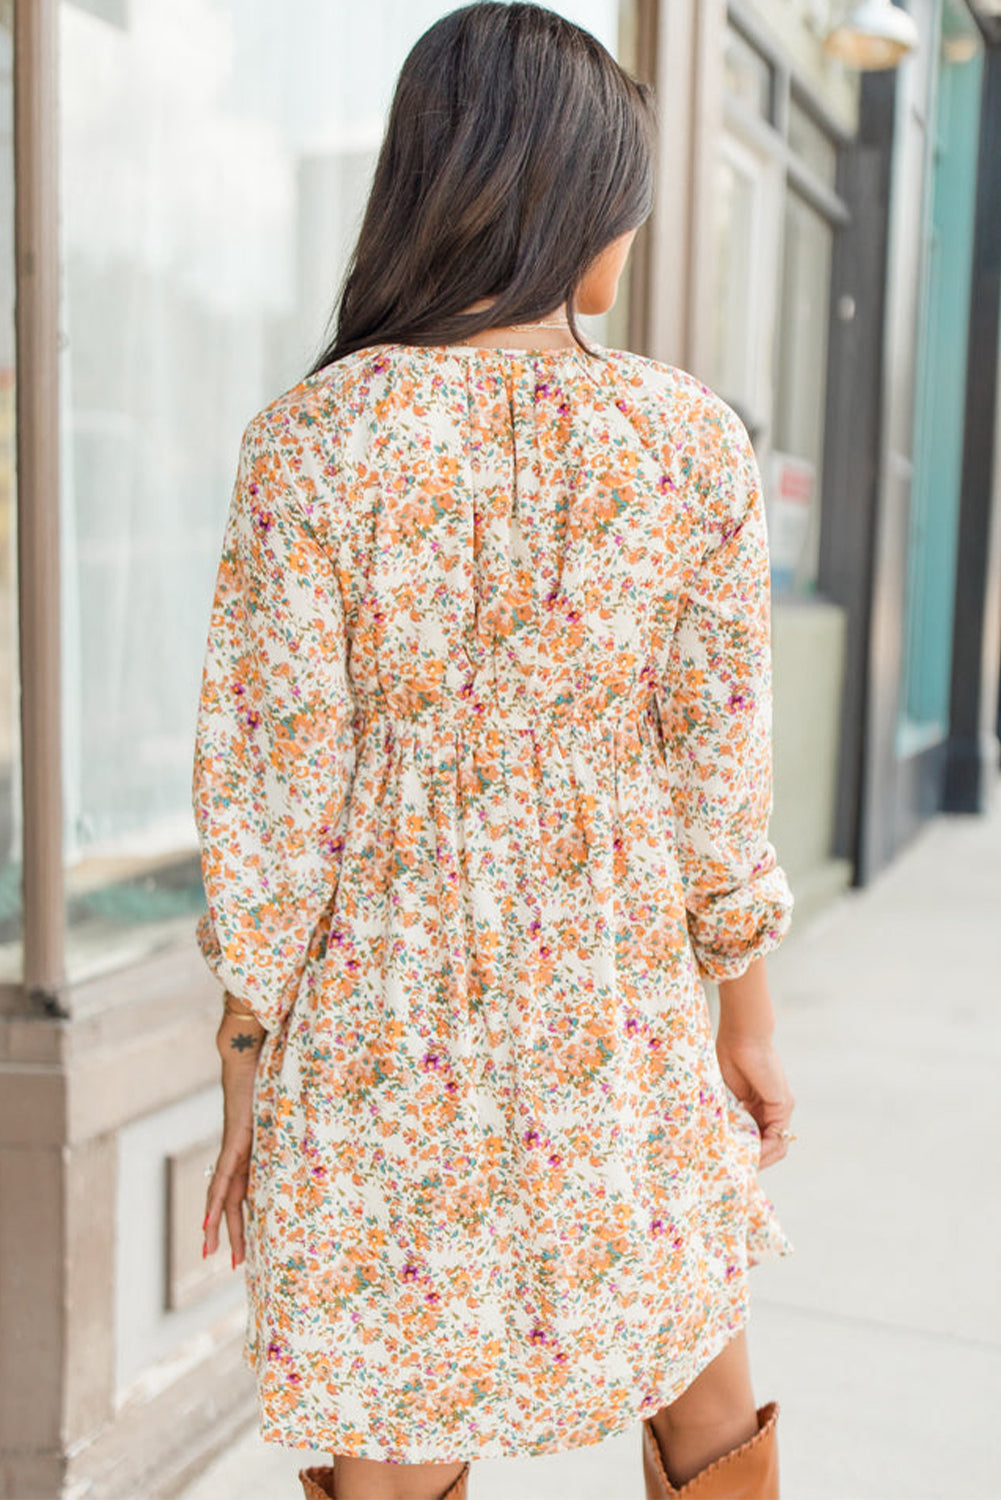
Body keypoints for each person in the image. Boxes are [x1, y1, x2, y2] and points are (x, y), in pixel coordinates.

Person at [194, 5, 798, 1499]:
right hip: (612, 994)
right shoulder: (686, 443)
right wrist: (748, 1026)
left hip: (375, 1008)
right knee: (693, 1357)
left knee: (390, 1417)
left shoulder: (311, 443)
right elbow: (713, 781)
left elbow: (273, 803)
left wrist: (245, 1068)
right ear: (565, 200)